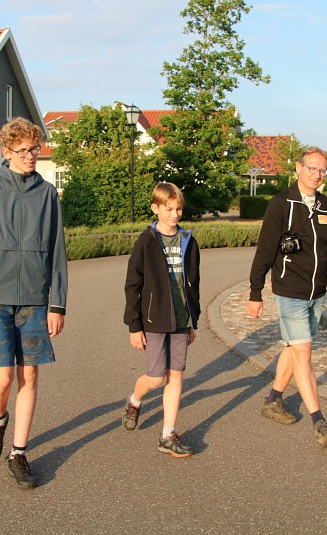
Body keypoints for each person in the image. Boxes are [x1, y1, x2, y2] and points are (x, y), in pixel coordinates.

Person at [0, 117, 68, 489]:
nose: (30, 156)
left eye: (34, 149)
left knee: (30, 375)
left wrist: (58, 304)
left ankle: (19, 453)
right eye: (22, 150)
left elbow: (58, 252)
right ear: (6, 153)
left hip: (35, 302)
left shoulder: (47, 194)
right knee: (3, 377)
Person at [247, 146, 327, 447]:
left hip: (317, 291)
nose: (317, 174)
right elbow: (265, 250)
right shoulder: (280, 204)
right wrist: (255, 291)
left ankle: (273, 400)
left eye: (322, 169)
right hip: (289, 290)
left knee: (292, 347)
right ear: (297, 169)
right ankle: (319, 422)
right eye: (311, 168)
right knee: (303, 352)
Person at [122, 182, 201, 458]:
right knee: (157, 378)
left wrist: (193, 320)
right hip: (153, 320)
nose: (175, 214)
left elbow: (194, 283)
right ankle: (135, 400)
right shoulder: (146, 241)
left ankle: (168, 434)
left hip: (181, 319)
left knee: (176, 375)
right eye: (169, 209)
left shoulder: (188, 241)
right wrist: (134, 325)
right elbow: (132, 285)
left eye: (179, 208)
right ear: (156, 208)